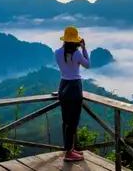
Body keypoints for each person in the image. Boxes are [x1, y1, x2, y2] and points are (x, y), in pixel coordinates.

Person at [55, 26, 90, 162]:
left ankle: (69, 149)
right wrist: (84, 49)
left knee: (66, 120)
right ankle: (69, 153)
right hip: (74, 87)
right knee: (73, 121)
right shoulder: (76, 54)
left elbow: (65, 67)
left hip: (63, 86)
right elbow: (87, 65)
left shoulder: (57, 52)